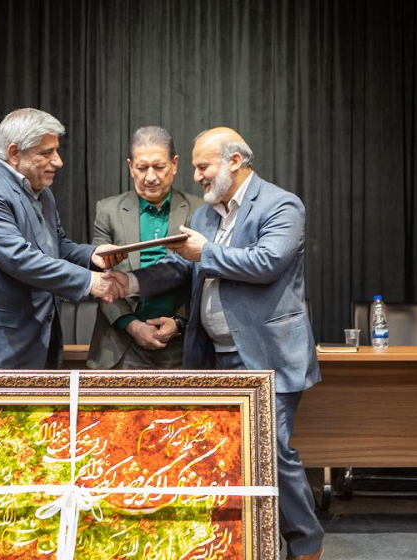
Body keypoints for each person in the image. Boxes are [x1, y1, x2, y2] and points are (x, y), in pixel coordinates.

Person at [106, 127, 324, 560]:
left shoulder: (281, 205)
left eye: (203, 166)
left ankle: (306, 544)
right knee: (225, 453)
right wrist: (127, 282)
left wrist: (204, 253)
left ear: (234, 162)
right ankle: (240, 542)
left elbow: (266, 263)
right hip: (217, 356)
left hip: (268, 355)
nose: (197, 176)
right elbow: (178, 266)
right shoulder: (207, 216)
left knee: (272, 451)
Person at [0, 108, 125, 370]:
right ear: (14, 153)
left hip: (33, 344)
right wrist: (89, 281)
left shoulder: (42, 193)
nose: (58, 161)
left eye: (56, 151)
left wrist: (92, 255)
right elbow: (19, 259)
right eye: (46, 153)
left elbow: (56, 246)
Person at [87, 126, 203, 370]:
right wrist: (131, 324)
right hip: (121, 344)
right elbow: (100, 277)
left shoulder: (199, 210)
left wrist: (178, 323)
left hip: (181, 346)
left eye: (159, 167)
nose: (151, 177)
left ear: (174, 164)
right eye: (142, 168)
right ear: (130, 167)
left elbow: (202, 278)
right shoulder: (108, 210)